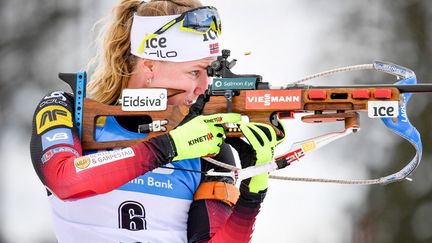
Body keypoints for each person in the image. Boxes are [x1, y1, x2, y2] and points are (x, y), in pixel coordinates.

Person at [30, 0, 284, 242]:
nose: (205, 87)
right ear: (149, 67)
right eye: (194, 72)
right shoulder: (66, 109)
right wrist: (169, 147)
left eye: (210, 72)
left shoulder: (206, 149)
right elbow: (65, 179)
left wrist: (253, 192)